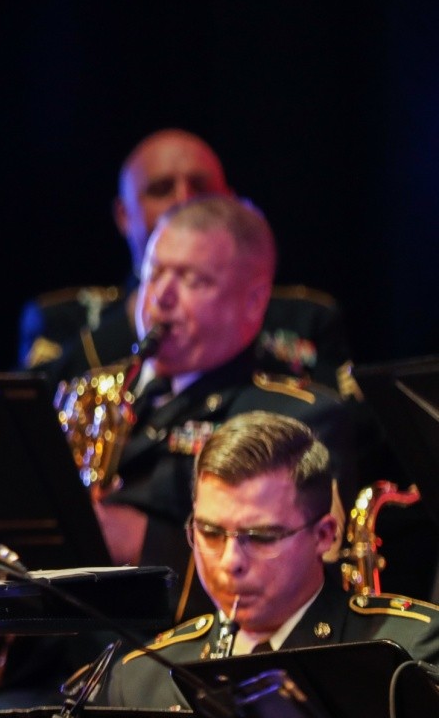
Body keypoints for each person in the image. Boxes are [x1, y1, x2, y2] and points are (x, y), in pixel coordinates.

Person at [91, 196, 349, 618]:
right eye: (154, 272)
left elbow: (300, 585)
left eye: (192, 280)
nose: (161, 297)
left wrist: (140, 542)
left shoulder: (297, 417)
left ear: (252, 303)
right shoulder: (103, 394)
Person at [105, 411, 439, 708]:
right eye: (210, 532)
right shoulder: (141, 678)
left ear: (324, 535)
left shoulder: (407, 653)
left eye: (262, 537)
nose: (230, 561)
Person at [19, 129, 355, 395]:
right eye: (162, 189)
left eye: (201, 185)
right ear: (124, 215)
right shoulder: (63, 321)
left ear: (230, 202)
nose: (184, 201)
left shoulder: (306, 317)